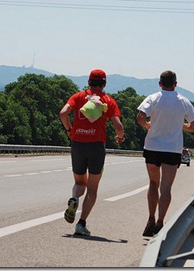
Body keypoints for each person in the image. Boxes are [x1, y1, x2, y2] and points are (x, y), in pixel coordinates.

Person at [59, 69, 125, 236]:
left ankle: (74, 198)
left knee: (80, 183)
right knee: (93, 189)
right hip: (96, 146)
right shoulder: (108, 101)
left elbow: (63, 113)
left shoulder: (78, 97)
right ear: (104, 84)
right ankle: (81, 224)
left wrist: (69, 130)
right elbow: (119, 127)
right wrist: (120, 137)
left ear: (88, 82)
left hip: (77, 144)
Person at [136, 70, 194, 237]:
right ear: (176, 84)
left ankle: (150, 218)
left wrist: (148, 125)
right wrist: (181, 125)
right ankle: (159, 222)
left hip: (152, 147)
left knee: (153, 183)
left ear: (160, 83)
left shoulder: (153, 98)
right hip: (172, 149)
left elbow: (140, 117)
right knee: (166, 188)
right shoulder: (183, 101)